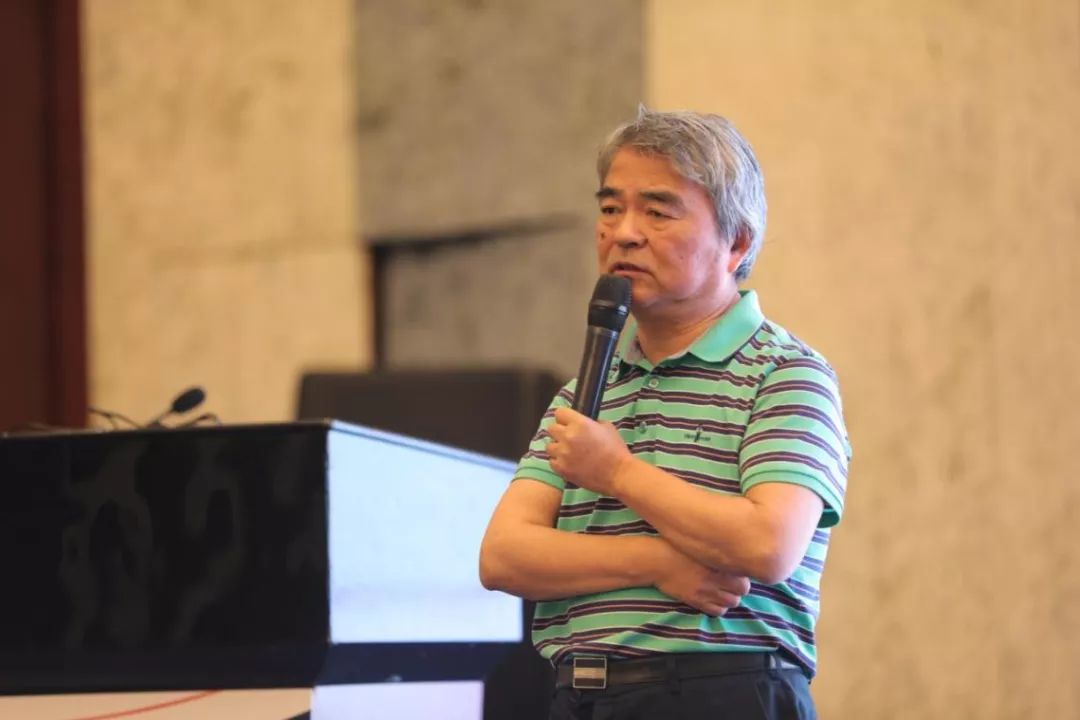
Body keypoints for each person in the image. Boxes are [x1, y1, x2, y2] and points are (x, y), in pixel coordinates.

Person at [479, 107, 851, 720]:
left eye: (657, 212)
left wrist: (617, 473)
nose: (624, 232)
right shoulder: (583, 393)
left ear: (736, 243)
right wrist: (658, 562)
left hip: (723, 690)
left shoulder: (786, 373)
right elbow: (503, 556)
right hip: (580, 694)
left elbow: (768, 544)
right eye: (610, 209)